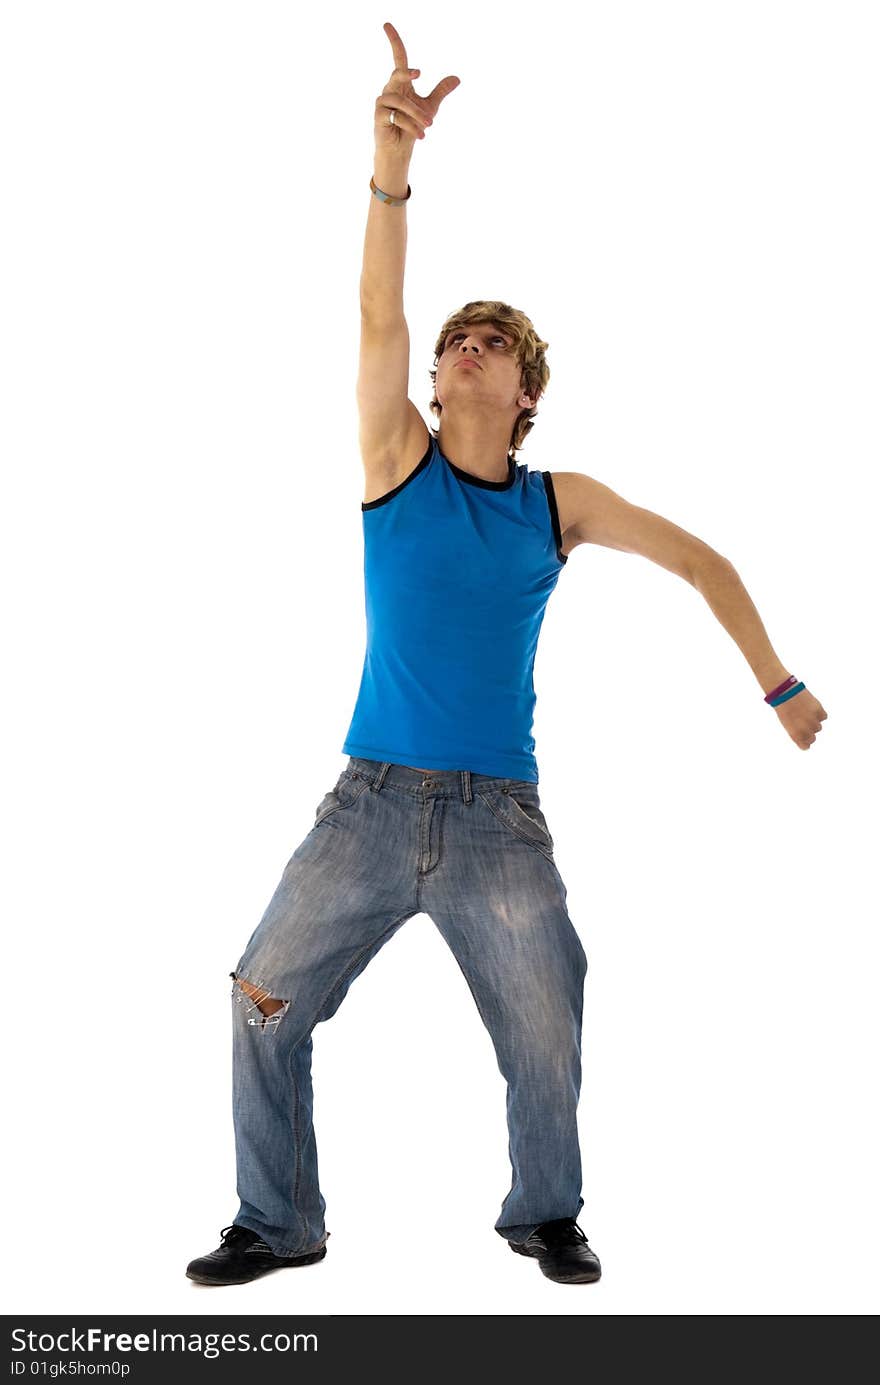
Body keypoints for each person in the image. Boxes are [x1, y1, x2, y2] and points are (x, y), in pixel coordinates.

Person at [186, 21, 828, 1290]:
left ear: (526, 389)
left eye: (493, 343)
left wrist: (779, 680)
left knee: (547, 1022)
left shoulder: (556, 500)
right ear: (430, 383)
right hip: (365, 805)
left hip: (496, 819)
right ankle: (279, 1220)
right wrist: (389, 169)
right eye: (452, 343)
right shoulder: (395, 464)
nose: (462, 348)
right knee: (261, 998)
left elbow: (701, 559)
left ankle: (543, 1211)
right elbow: (377, 306)